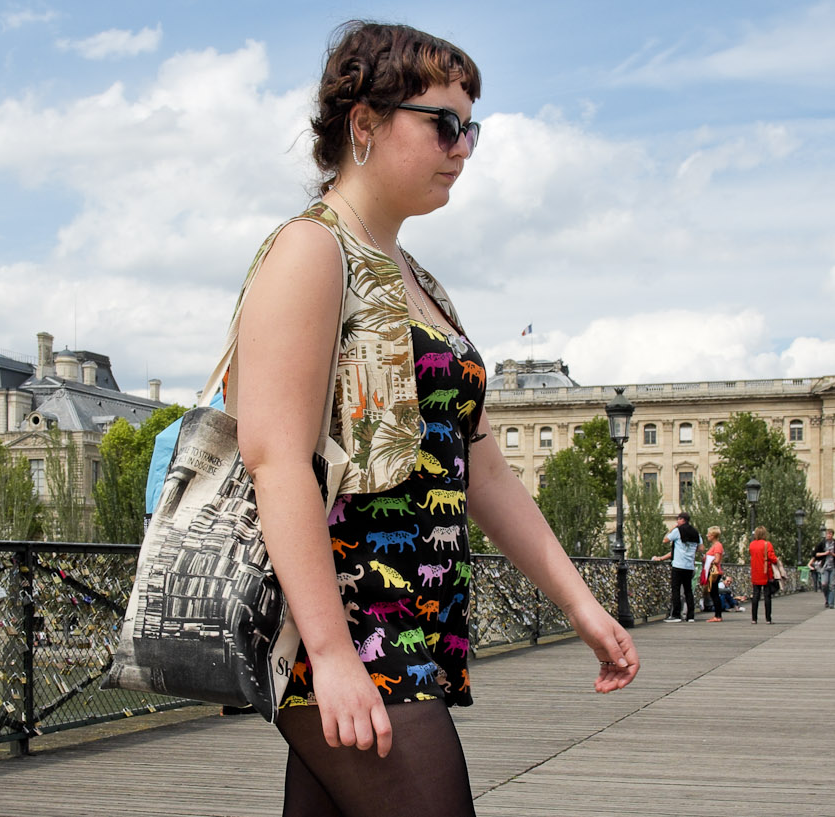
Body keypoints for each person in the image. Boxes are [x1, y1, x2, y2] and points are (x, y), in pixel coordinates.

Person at [234, 22, 636, 816]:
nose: (464, 147)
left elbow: (479, 466)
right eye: (444, 123)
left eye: (471, 127)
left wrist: (581, 602)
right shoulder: (312, 252)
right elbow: (274, 457)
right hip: (348, 625)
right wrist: (331, 653)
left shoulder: (420, 281)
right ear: (366, 124)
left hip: (408, 619)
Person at [652, 512, 701, 622]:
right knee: (688, 591)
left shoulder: (677, 531)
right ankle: (691, 616)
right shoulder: (695, 532)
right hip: (689, 566)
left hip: (678, 565)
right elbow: (701, 547)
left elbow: (665, 540)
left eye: (678, 520)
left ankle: (676, 615)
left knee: (676, 590)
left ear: (682, 520)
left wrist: (672, 528)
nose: (677, 522)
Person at [748, 527, 782, 624]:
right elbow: (772, 558)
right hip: (765, 572)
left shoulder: (752, 545)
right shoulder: (767, 544)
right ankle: (768, 619)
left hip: (755, 572)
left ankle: (754, 619)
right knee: (767, 596)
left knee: (756, 595)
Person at [701, 527, 728, 621]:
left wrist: (708, 560)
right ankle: (717, 614)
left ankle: (718, 615)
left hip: (714, 572)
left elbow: (716, 560)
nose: (707, 535)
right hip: (713, 571)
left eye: (708, 534)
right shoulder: (715, 545)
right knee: (713, 592)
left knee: (714, 593)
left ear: (713, 535)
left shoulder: (717, 546)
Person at [811, 529, 835, 609]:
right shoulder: (822, 543)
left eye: (830, 534)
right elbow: (815, 554)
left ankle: (831, 603)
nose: (829, 535)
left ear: (832, 535)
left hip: (833, 567)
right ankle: (827, 599)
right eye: (828, 534)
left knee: (832, 585)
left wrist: (832, 554)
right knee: (824, 584)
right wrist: (825, 553)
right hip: (824, 566)